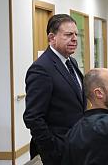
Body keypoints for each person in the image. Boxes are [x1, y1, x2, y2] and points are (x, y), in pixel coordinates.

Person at [23, 14, 86, 165]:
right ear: (52, 38)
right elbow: (33, 117)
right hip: (56, 150)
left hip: (76, 145)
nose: (75, 39)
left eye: (76, 34)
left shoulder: (72, 62)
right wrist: (52, 148)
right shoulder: (41, 68)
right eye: (68, 35)